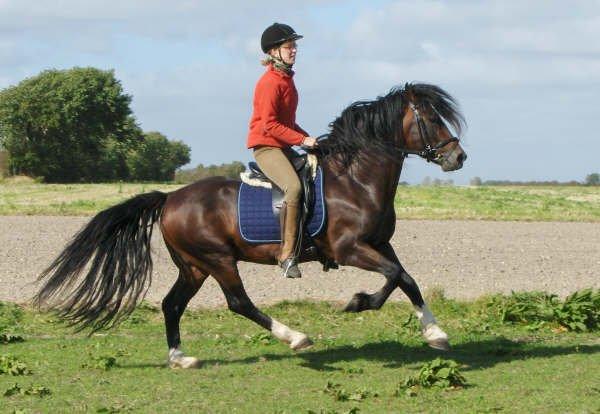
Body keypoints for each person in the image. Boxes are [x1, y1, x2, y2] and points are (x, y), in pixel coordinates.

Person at [246, 23, 318, 278]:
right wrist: (301, 140)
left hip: (283, 145)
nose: (294, 50)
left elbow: (286, 123)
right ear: (274, 51)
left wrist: (307, 137)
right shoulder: (269, 83)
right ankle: (287, 255)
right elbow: (270, 125)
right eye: (289, 47)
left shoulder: (286, 80)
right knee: (294, 188)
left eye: (295, 46)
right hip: (267, 148)